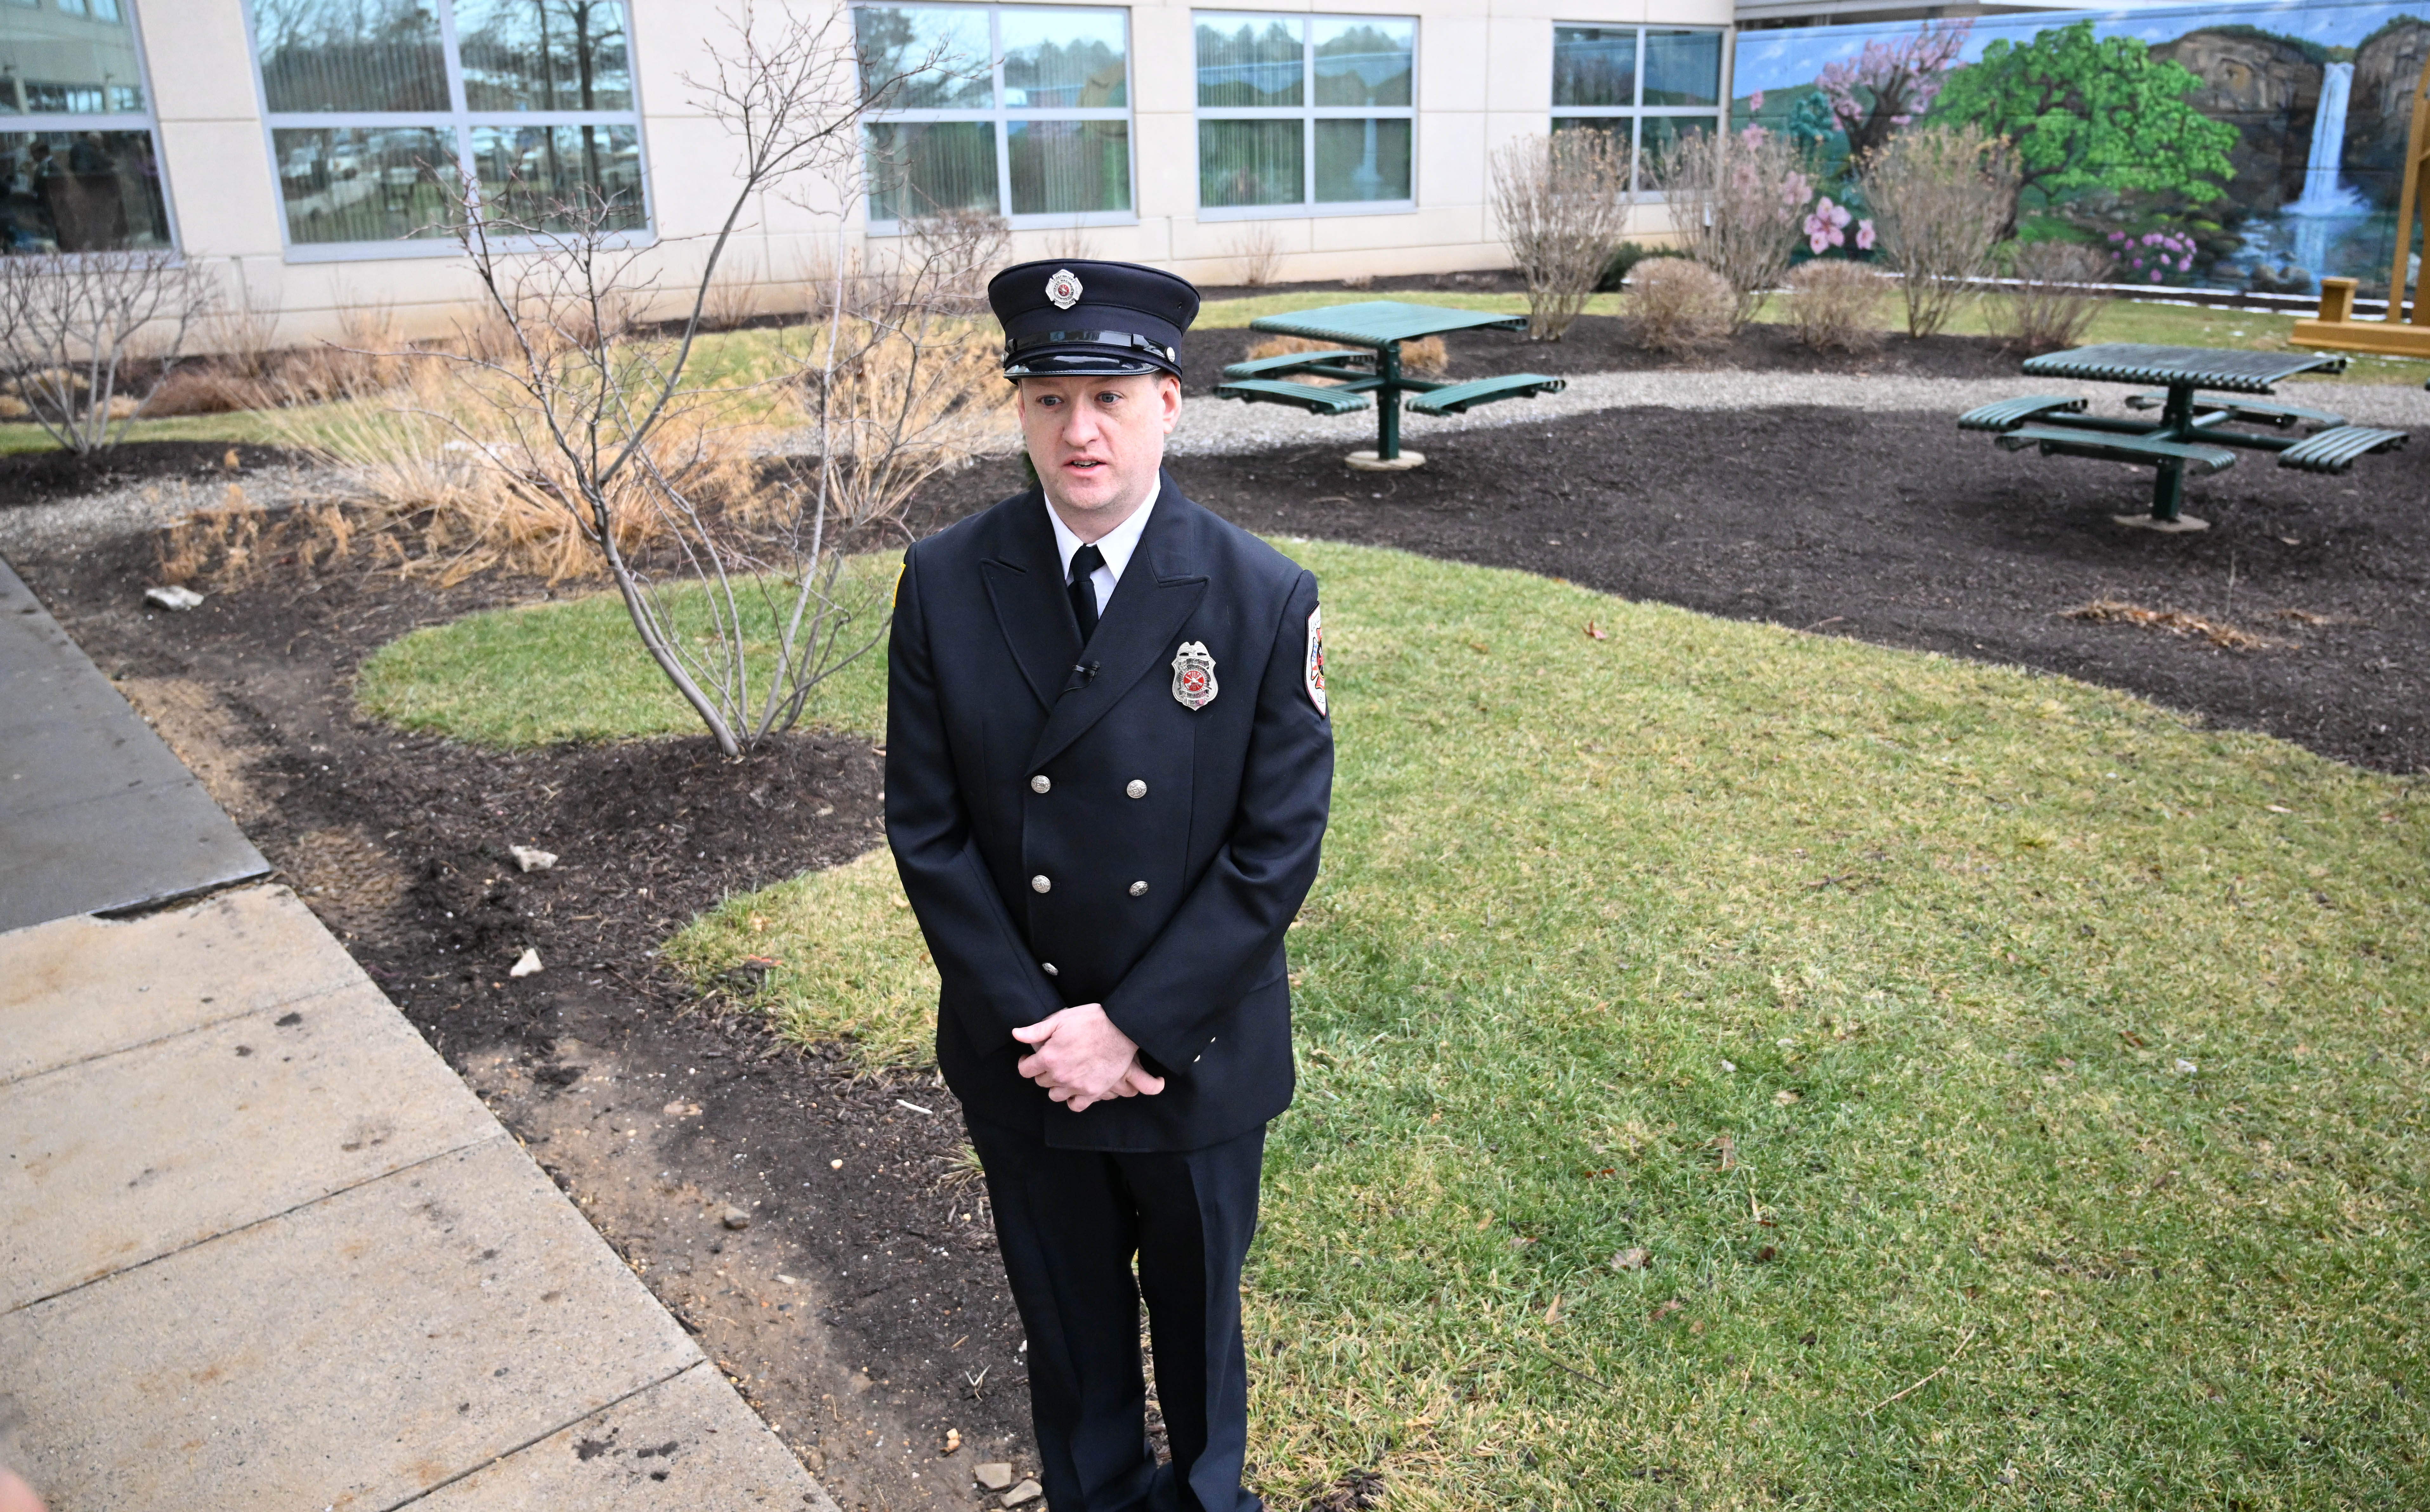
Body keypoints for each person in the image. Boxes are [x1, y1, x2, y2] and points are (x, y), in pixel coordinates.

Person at [885, 259, 1333, 1512]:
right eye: (1048, 398)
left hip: (1187, 1058)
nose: (1079, 429)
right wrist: (1045, 1034)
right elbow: (928, 832)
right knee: (1072, 1340)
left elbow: (1273, 847)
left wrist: (1130, 1027)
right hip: (1026, 1057)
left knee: (1197, 1336)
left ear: (1169, 403)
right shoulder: (946, 581)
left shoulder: (1256, 593)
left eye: (1111, 395)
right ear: (1020, 408)